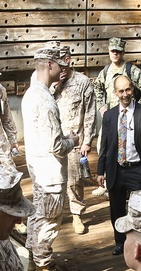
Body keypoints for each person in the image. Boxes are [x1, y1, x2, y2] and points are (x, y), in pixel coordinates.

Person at [21, 41, 78, 271]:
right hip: (50, 173)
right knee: (49, 221)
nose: (63, 70)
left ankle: (34, 263)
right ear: (50, 64)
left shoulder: (31, 93)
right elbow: (56, 144)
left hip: (39, 169)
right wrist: (73, 140)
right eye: (61, 66)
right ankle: (43, 270)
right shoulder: (43, 99)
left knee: (37, 217)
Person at [97, 75, 141, 256]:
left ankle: (140, 243)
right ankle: (120, 242)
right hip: (116, 169)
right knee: (116, 209)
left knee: (139, 209)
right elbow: (104, 146)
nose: (125, 94)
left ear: (133, 89)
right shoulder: (109, 115)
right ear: (115, 93)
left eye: (128, 89)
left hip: (137, 169)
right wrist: (100, 171)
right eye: (121, 91)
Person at [52, 46, 96, 236]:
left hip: (75, 140)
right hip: (54, 139)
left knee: (75, 179)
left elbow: (90, 114)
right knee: (54, 179)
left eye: (62, 60)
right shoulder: (49, 83)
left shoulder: (83, 82)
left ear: (69, 59)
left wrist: (87, 141)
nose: (59, 65)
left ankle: (77, 214)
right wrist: (54, 86)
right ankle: (55, 214)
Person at [93, 37, 141, 116]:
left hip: (129, 117)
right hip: (112, 117)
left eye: (118, 51)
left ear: (123, 52)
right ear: (109, 51)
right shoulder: (105, 71)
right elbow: (97, 88)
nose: (115, 53)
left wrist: (137, 109)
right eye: (112, 51)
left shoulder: (131, 70)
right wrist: (101, 107)